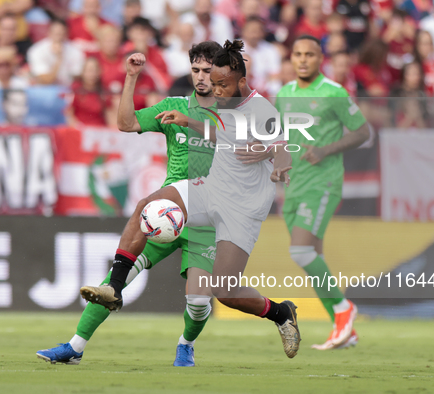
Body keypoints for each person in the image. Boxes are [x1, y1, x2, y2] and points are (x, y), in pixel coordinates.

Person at [79, 40, 300, 360]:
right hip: (209, 188)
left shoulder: (261, 109)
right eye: (213, 81)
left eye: (221, 83)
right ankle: (114, 289)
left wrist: (275, 162)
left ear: (241, 81)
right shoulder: (218, 103)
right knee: (147, 206)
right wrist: (189, 122)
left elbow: (282, 148)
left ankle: (280, 313)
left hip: (243, 208)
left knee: (225, 292)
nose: (215, 88)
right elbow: (220, 133)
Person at [37, 41, 224, 367]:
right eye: (196, 70)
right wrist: (130, 78)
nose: (201, 77)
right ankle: (75, 347)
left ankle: (186, 343)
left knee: (197, 302)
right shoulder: (173, 104)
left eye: (208, 70)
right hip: (169, 209)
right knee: (114, 281)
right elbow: (125, 124)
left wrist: (190, 122)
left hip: (208, 215)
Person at [273, 35, 369, 350]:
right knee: (313, 258)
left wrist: (327, 149)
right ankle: (345, 332)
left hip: (323, 181)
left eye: (309, 55)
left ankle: (343, 309)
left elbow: (362, 131)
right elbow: (282, 138)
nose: (302, 60)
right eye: (297, 54)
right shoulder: (284, 94)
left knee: (301, 252)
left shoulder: (334, 93)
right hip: (294, 183)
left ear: (320, 59)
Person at [27, 18, 85, 86]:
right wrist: (59, 58)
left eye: (61, 34)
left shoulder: (76, 51)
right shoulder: (36, 50)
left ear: (67, 34)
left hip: (68, 89)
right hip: (45, 90)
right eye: (56, 34)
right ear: (49, 33)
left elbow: (78, 78)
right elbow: (46, 80)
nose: (58, 38)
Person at [66, 56, 109, 126]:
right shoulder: (75, 89)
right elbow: (69, 114)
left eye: (95, 71)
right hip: (80, 129)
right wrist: (79, 127)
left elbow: (109, 115)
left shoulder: (104, 92)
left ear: (99, 72)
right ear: (83, 72)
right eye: (89, 70)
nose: (92, 74)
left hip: (99, 130)